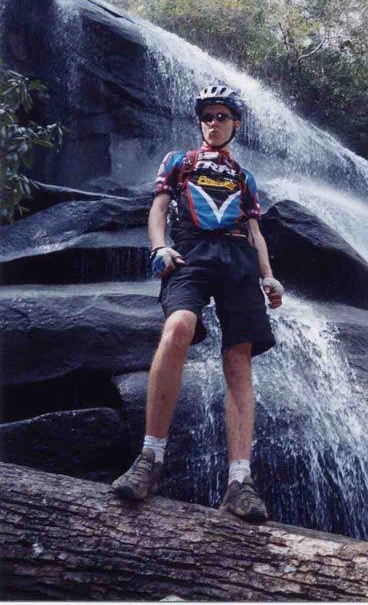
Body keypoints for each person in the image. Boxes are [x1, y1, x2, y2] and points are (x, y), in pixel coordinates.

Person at [111, 84, 284, 523]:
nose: (213, 122)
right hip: (190, 251)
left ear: (235, 124)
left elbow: (256, 232)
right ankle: (150, 458)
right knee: (179, 327)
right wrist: (158, 246)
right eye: (207, 116)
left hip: (239, 260)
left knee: (239, 358)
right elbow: (158, 208)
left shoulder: (244, 177)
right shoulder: (178, 161)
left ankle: (239, 483)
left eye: (221, 116)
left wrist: (268, 276)